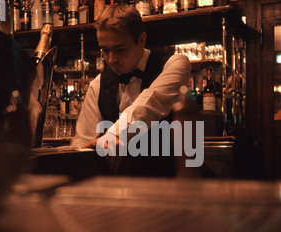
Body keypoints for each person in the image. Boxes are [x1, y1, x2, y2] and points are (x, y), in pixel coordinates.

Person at [70, 4, 191, 175]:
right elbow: (82, 141)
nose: (111, 60)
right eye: (105, 50)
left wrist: (114, 135)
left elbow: (149, 104)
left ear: (141, 40)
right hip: (119, 190)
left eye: (120, 50)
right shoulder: (98, 84)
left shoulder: (175, 64)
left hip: (169, 184)